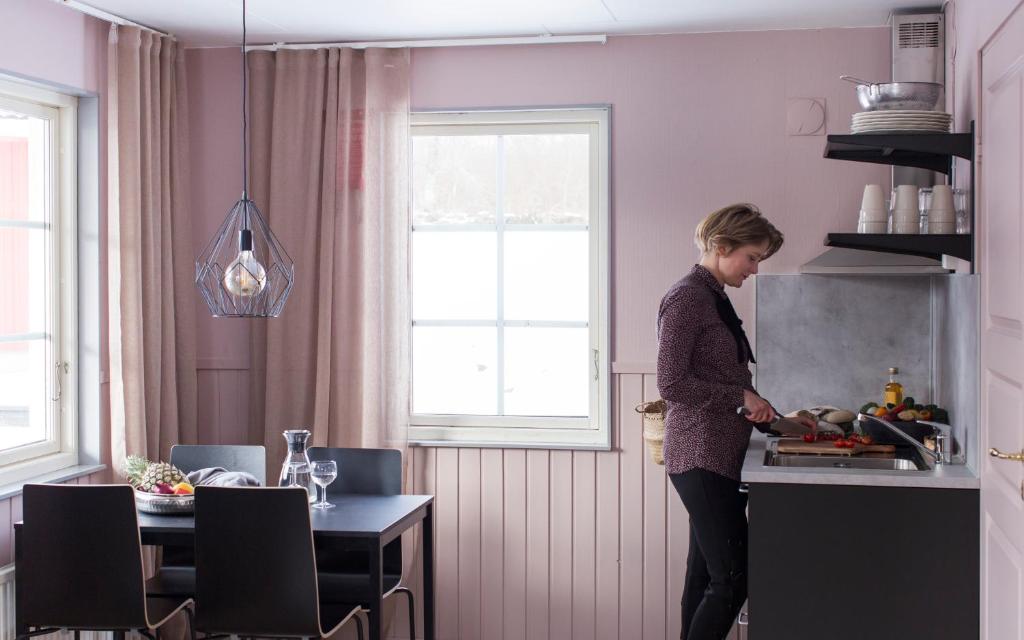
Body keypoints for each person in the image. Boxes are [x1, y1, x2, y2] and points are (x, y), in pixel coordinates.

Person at [656, 203, 815, 640]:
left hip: (718, 454)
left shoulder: (712, 296)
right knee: (731, 580)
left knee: (704, 575)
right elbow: (671, 384)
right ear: (722, 247)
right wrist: (741, 397)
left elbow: (727, 380)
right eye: (751, 258)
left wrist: (776, 419)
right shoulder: (687, 297)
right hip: (700, 454)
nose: (755, 270)